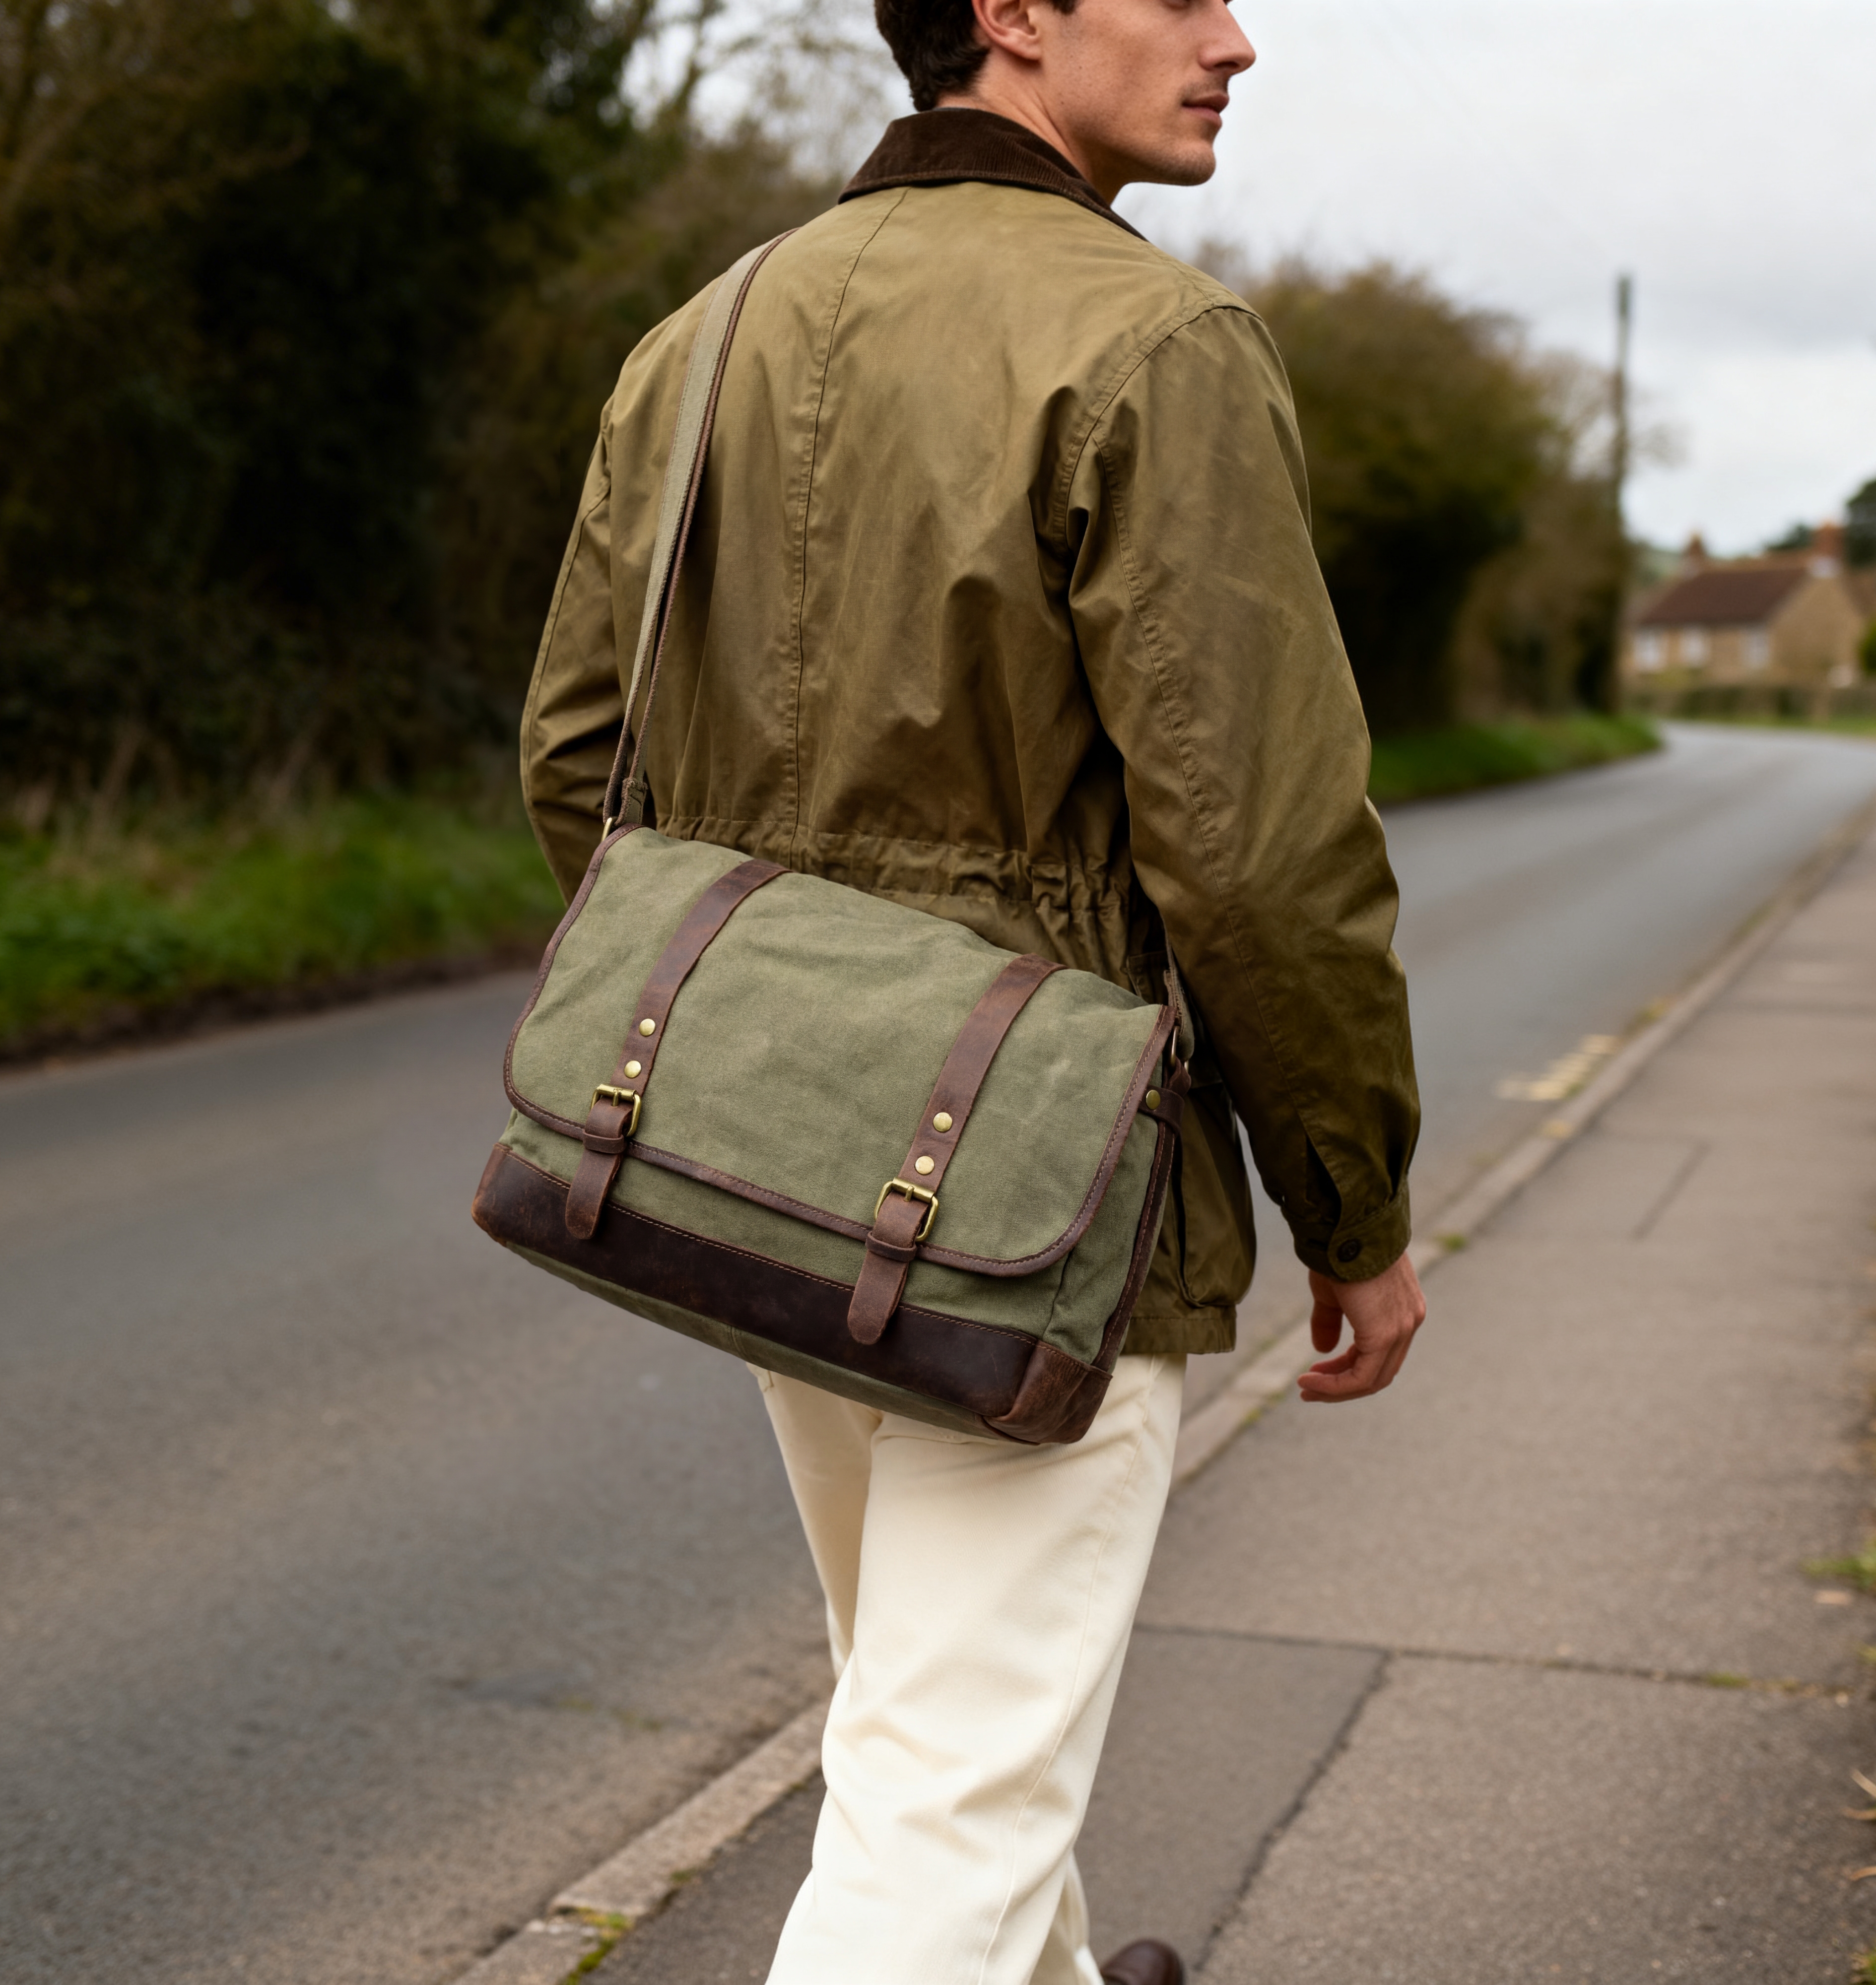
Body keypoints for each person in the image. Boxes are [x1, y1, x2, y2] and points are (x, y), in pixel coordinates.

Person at [519, 0, 1427, 1977]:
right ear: (1010, 12)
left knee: (941, 1726)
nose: (1237, 40)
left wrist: (745, 1026)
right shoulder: (1153, 348)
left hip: (765, 1159)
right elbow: (1261, 856)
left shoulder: (709, 333)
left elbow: (580, 762)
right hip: (1040, 1202)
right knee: (953, 1799)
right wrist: (1351, 1209)